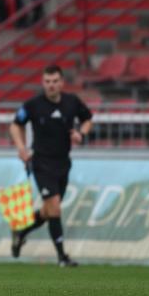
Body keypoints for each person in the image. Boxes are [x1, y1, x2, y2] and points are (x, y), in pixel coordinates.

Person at [9, 65, 93, 267]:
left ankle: (21, 231)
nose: (51, 85)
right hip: (41, 162)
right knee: (54, 208)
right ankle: (62, 258)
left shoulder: (72, 102)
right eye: (47, 81)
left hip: (63, 162)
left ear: (62, 82)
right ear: (42, 83)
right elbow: (15, 125)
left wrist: (81, 134)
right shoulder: (33, 105)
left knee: (49, 211)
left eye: (55, 81)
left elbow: (88, 119)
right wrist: (21, 148)